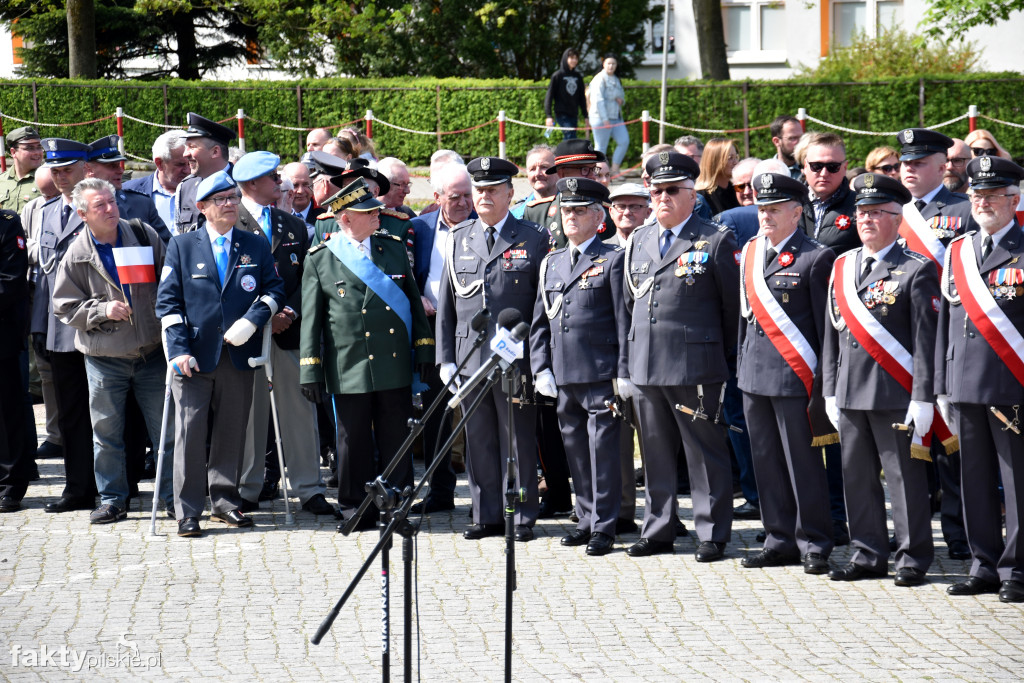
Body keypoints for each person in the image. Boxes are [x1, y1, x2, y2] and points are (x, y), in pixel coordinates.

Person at [623, 150, 740, 560]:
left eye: (673, 190)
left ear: (693, 194)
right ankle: (658, 529)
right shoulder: (638, 239)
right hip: (645, 364)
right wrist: (627, 364)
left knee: (704, 452)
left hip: (696, 365)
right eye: (656, 191)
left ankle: (712, 532)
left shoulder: (716, 238)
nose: (663, 198)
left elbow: (730, 310)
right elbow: (628, 307)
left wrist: (717, 358)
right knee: (654, 452)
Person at [298, 178, 434, 531]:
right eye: (368, 212)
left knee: (396, 437)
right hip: (348, 365)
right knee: (352, 440)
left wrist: (422, 348)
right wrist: (310, 370)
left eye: (376, 209)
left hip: (393, 362)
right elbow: (311, 321)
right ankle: (355, 507)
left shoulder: (391, 246)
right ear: (344, 219)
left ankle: (397, 505)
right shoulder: (321, 259)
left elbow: (413, 304)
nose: (377, 215)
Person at [155, 170, 285, 537]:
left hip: (238, 355)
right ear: (202, 207)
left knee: (232, 432)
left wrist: (253, 320)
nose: (230, 204)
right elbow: (168, 303)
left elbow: (275, 289)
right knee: (190, 432)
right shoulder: (182, 246)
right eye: (220, 199)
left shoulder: (254, 244)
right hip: (193, 356)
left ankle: (225, 502)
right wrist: (178, 350)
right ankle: (187, 510)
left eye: (232, 197)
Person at [823, 172, 938, 586]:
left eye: (876, 213)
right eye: (861, 212)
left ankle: (911, 558)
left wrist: (923, 397)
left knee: (905, 481)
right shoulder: (842, 264)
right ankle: (868, 554)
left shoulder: (916, 270)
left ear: (897, 217)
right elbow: (832, 333)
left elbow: (927, 342)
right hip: (851, 392)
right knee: (856, 479)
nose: (866, 219)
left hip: (895, 393)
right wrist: (829, 391)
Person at [436, 156, 548, 541]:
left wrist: (535, 356)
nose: (483, 196)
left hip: (515, 360)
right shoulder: (457, 239)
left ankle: (520, 516)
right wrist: (445, 358)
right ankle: (486, 515)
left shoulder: (534, 238)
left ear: (509, 194)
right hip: (470, 359)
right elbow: (447, 304)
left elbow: (540, 305)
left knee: (516, 440)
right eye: (478, 189)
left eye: (491, 190)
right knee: (479, 439)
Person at [51, 178, 174, 523]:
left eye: (111, 201)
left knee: (166, 430)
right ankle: (113, 500)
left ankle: (172, 498)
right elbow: (63, 307)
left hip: (151, 354)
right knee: (106, 434)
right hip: (104, 359)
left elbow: (169, 280)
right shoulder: (76, 253)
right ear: (82, 214)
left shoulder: (141, 233)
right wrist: (101, 311)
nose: (110, 209)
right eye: (100, 205)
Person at [736, 172, 836, 574]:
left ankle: (814, 541)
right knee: (765, 463)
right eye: (762, 209)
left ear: (797, 212)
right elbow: (743, 319)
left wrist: (824, 385)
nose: (766, 216)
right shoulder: (750, 252)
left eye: (775, 209)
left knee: (803, 464)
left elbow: (824, 327)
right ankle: (778, 539)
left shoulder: (817, 256)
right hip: (753, 376)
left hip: (796, 378)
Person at [228, 151, 337, 518]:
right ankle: (247, 488)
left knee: (300, 412)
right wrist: (262, 318)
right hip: (248, 332)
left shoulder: (290, 224)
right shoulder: (230, 222)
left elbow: (308, 276)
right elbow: (226, 284)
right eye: (272, 178)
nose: (280, 183)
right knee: (250, 414)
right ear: (251, 184)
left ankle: (309, 488)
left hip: (289, 331)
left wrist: (288, 311)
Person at [938, 156, 1024, 603]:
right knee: (973, 481)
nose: (983, 202)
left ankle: (1017, 569)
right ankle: (983, 565)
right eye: (977, 195)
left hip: (1012, 385)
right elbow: (945, 325)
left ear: (1014, 199)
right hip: (964, 385)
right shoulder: (958, 251)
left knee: (1016, 482)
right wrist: (940, 385)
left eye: (992, 195)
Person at [530, 177, 630, 556]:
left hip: (601, 373)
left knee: (602, 451)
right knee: (575, 452)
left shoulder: (612, 259)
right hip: (563, 374)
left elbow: (623, 321)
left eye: (579, 211)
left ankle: (605, 525)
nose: (570, 217)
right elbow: (540, 321)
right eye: (566, 210)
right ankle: (585, 517)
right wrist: (540, 367)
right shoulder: (552, 262)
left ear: (599, 216)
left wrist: (622, 372)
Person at [896, 127, 975, 559]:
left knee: (951, 443)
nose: (909, 170)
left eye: (919, 163)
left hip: (948, 337)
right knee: (908, 438)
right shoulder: (891, 210)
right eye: (905, 163)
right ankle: (912, 530)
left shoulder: (963, 210)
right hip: (899, 342)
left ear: (942, 166)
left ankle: (959, 532)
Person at [32, 138, 98, 514]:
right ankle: (77, 489)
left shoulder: (101, 206)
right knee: (71, 414)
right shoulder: (47, 210)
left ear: (86, 169)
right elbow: (43, 275)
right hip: (59, 330)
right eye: (54, 170)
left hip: (95, 326)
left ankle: (112, 486)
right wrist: (39, 326)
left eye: (67, 169)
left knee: (105, 414)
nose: (60, 177)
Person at [409, 162, 476, 514]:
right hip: (435, 334)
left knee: (479, 413)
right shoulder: (418, 228)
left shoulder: (484, 225)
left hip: (476, 334)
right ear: (436, 198)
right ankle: (440, 492)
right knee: (437, 414)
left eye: (469, 195)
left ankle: (487, 494)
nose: (465, 202)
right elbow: (406, 274)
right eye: (455, 196)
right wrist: (416, 295)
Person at [605, 182, 649, 533]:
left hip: (651, 358)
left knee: (657, 442)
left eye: (635, 206)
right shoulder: (600, 252)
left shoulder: (658, 248)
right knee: (617, 440)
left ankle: (665, 515)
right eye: (619, 207)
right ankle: (621, 511)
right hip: (612, 361)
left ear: (648, 210)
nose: (627, 213)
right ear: (609, 211)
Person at [522, 138, 613, 249]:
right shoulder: (535, 213)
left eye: (594, 169)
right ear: (562, 173)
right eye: (584, 169)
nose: (593, 176)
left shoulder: (610, 211)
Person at [85, 135, 170, 243]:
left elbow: (168, 249)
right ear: (89, 169)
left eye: (119, 165)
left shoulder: (141, 204)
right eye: (112, 166)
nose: (120, 171)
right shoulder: (73, 207)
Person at [0, 207, 29, 513]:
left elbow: (10, 280)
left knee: (6, 414)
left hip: (2, 334)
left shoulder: (7, 225)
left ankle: (10, 484)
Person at [173, 112, 237, 235]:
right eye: (186, 147)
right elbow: (180, 237)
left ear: (215, 152)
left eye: (192, 147)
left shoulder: (243, 185)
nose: (185, 154)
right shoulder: (185, 187)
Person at [800, 132, 860, 255]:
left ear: (844, 167)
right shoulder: (789, 204)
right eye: (817, 166)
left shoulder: (860, 206)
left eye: (832, 166)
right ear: (806, 166)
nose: (824, 173)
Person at [123, 130, 190, 232]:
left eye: (191, 163)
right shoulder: (128, 192)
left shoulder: (204, 189)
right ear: (159, 163)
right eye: (180, 164)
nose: (188, 170)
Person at [588, 55, 629, 176]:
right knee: (601, 147)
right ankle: (597, 174)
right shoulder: (599, 79)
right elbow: (598, 100)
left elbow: (622, 95)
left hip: (616, 117)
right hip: (600, 118)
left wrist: (621, 100)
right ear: (603, 64)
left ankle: (615, 170)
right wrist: (604, 119)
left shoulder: (616, 78)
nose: (611, 66)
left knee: (624, 141)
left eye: (614, 64)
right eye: (609, 63)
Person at [544, 49, 587, 140]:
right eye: (571, 58)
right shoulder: (557, 76)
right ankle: (567, 154)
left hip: (574, 113)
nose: (574, 60)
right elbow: (549, 96)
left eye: (576, 58)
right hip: (561, 113)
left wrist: (586, 116)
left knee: (571, 137)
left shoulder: (578, 76)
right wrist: (549, 115)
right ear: (565, 58)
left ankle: (564, 153)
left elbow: (582, 98)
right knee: (570, 136)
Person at [0, 126, 44, 213]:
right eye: (29, 148)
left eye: (39, 147)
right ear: (13, 152)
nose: (37, 152)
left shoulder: (49, 180)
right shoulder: (2, 181)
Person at [695, 138, 741, 216]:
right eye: (730, 158)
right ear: (715, 161)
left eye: (736, 157)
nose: (736, 162)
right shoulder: (700, 197)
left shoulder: (738, 190)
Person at [511, 146, 556, 219]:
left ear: (558, 171)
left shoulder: (571, 210)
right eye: (532, 169)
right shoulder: (515, 215)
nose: (537, 174)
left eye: (544, 167)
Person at [770, 116, 803, 180]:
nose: (799, 142)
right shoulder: (766, 171)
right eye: (792, 138)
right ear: (776, 141)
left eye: (801, 137)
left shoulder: (811, 170)